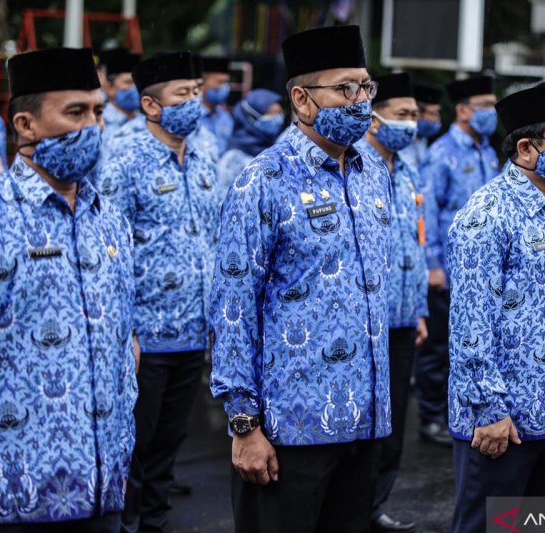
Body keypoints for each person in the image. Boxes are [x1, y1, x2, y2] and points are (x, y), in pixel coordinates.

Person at [210, 25, 393, 532]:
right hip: (289, 430)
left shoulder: (373, 172)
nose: (360, 101)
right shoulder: (262, 180)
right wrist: (244, 425)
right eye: (344, 89)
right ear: (302, 99)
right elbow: (232, 307)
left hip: (364, 423)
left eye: (365, 86)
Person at [0, 47, 137, 532]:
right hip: (9, 492)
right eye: (75, 112)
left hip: (102, 488)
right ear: (26, 124)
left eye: (99, 112)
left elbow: (124, 345)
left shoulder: (110, 220)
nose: (93, 127)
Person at [447, 83, 545, 533]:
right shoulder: (487, 213)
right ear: (526, 148)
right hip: (506, 424)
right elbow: (470, 322)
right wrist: (490, 408)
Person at [97, 51, 218, 533]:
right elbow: (110, 253)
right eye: (182, 94)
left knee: (169, 444)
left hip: (193, 332)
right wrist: (125, 331)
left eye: (197, 92)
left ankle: (154, 523)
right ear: (150, 105)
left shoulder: (204, 158)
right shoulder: (124, 163)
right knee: (135, 446)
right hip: (146, 336)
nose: (194, 102)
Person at [355, 72, 427, 533]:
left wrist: (418, 307)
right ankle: (352, 508)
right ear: (376, 120)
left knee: (393, 421)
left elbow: (416, 243)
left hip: (403, 317)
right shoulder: (357, 165)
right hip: (368, 321)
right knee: (362, 422)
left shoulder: (408, 170)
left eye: (415, 116)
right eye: (402, 115)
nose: (411, 124)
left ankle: (375, 504)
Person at [415, 76, 499, 446]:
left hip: (482, 270)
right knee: (437, 347)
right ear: (463, 110)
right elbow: (429, 212)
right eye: (484, 105)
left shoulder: (488, 151)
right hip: (447, 269)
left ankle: (461, 410)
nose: (491, 113)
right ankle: (431, 416)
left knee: (472, 343)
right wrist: (432, 262)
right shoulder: (441, 153)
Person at [216, 88, 283, 193]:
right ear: (251, 118)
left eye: (279, 113)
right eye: (270, 114)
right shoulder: (233, 159)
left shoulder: (277, 149)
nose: (277, 119)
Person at [399, 82, 443, 172]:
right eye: (433, 113)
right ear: (417, 113)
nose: (436, 119)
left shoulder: (422, 141)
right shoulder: (400, 143)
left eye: (438, 114)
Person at [100, 49, 141, 139]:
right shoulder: (100, 122)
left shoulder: (147, 120)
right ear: (109, 87)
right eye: (128, 82)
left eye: (138, 82)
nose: (135, 88)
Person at [199, 56, 235, 154]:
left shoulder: (225, 117)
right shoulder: (192, 116)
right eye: (220, 82)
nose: (224, 87)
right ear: (202, 82)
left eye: (226, 82)